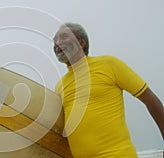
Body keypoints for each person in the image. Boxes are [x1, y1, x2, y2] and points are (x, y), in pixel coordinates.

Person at [53, 22, 164, 158]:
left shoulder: (109, 65)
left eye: (63, 37)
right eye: (55, 40)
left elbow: (150, 100)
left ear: (81, 43)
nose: (57, 43)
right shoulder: (59, 86)